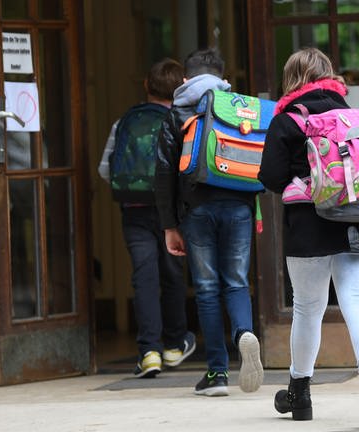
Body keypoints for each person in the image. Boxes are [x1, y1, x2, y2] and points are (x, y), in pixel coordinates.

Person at [258, 47, 359, 430]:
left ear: (293, 79)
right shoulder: (354, 117)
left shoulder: (288, 120)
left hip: (309, 222)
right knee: (358, 300)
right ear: (330, 76)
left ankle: (300, 392)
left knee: (308, 308)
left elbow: (270, 177)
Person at [154, 48, 263, 397]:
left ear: (186, 79)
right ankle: (244, 332)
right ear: (223, 75)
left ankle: (217, 373)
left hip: (196, 209)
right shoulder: (238, 105)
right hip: (239, 206)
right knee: (236, 282)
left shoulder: (177, 112)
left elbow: (164, 173)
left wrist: (169, 225)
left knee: (206, 289)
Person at [98, 58, 196, 378]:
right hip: (172, 214)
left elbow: (105, 170)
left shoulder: (124, 122)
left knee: (144, 278)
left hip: (135, 212)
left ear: (145, 86)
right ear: (181, 85)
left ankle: (149, 352)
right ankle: (174, 344)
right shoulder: (182, 121)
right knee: (172, 276)